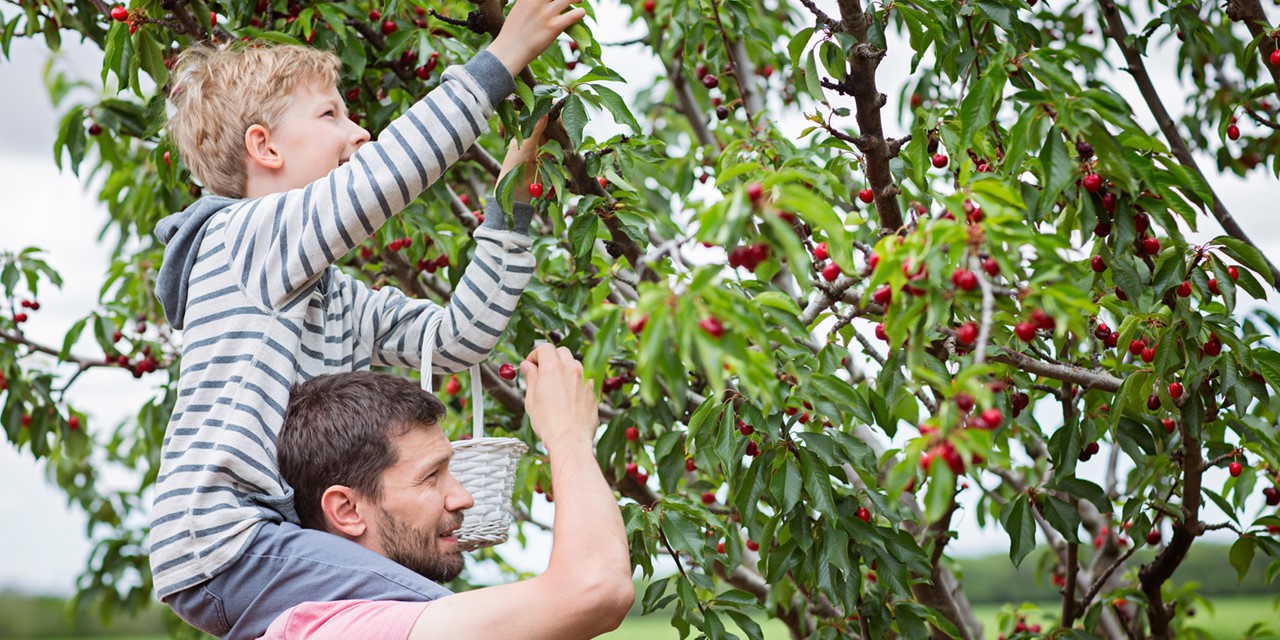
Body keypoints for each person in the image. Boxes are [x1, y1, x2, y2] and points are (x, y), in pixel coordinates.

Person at [146, 0, 585, 636]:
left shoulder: (333, 294)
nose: (359, 134)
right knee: (451, 618)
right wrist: (503, 60)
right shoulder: (240, 238)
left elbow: (457, 339)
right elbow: (382, 178)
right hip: (229, 537)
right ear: (263, 146)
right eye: (331, 114)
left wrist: (513, 202)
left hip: (280, 544)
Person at [267, 345, 633, 639]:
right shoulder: (342, 629)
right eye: (430, 477)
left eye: (450, 470)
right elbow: (595, 589)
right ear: (347, 509)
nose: (463, 498)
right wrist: (568, 433)